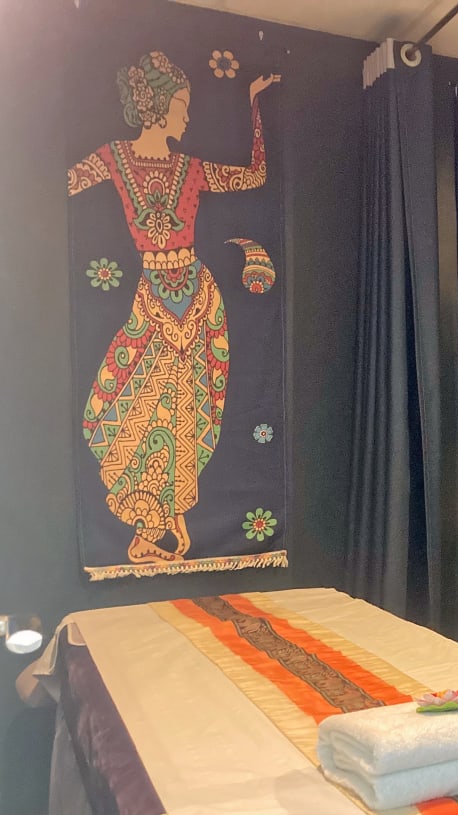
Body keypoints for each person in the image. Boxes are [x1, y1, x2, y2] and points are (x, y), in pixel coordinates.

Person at [69, 51, 280, 564]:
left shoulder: (190, 168)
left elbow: (254, 176)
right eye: (182, 106)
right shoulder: (115, 159)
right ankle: (150, 523)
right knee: (132, 405)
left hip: (197, 297)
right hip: (155, 298)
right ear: (159, 107)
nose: (187, 118)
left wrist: (253, 105)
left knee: (188, 410)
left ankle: (164, 519)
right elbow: (62, 184)